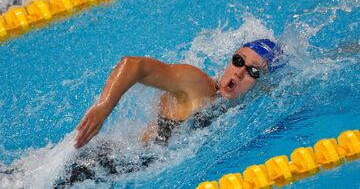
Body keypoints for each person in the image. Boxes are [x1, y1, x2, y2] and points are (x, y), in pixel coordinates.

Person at [75, 39, 283, 149]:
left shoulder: (241, 105)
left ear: (262, 83)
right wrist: (104, 107)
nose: (238, 72)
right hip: (105, 165)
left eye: (253, 72)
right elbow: (134, 65)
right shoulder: (199, 86)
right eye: (238, 61)